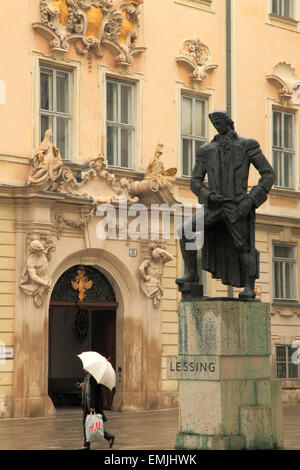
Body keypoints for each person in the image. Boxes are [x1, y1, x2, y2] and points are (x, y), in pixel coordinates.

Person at [176, 110, 275, 299]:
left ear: (229, 123)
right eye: (215, 125)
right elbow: (195, 181)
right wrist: (207, 195)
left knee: (243, 247)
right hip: (213, 205)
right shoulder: (206, 151)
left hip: (238, 205)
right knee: (185, 232)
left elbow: (268, 174)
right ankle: (191, 274)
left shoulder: (247, 145)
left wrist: (251, 200)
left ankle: (248, 287)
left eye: (220, 124)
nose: (217, 127)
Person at [77, 373, 115, 450]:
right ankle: (108, 437)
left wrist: (92, 406)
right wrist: (82, 385)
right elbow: (88, 388)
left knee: (87, 424)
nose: (83, 368)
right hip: (87, 404)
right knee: (87, 424)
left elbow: (93, 392)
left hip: (92, 405)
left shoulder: (93, 377)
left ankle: (86, 445)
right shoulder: (88, 376)